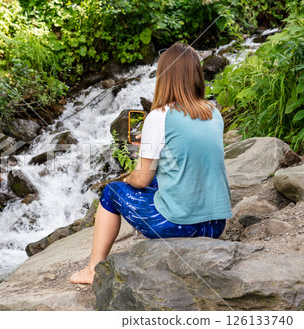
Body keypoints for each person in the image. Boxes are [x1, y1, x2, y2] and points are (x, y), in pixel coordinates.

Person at [70, 42, 233, 285]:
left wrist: (129, 177)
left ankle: (93, 269)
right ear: (196, 75)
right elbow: (189, 156)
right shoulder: (214, 111)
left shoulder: (159, 116)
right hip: (215, 225)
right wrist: (151, 146)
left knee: (111, 192)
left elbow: (142, 179)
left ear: (164, 77)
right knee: (161, 177)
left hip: (179, 227)